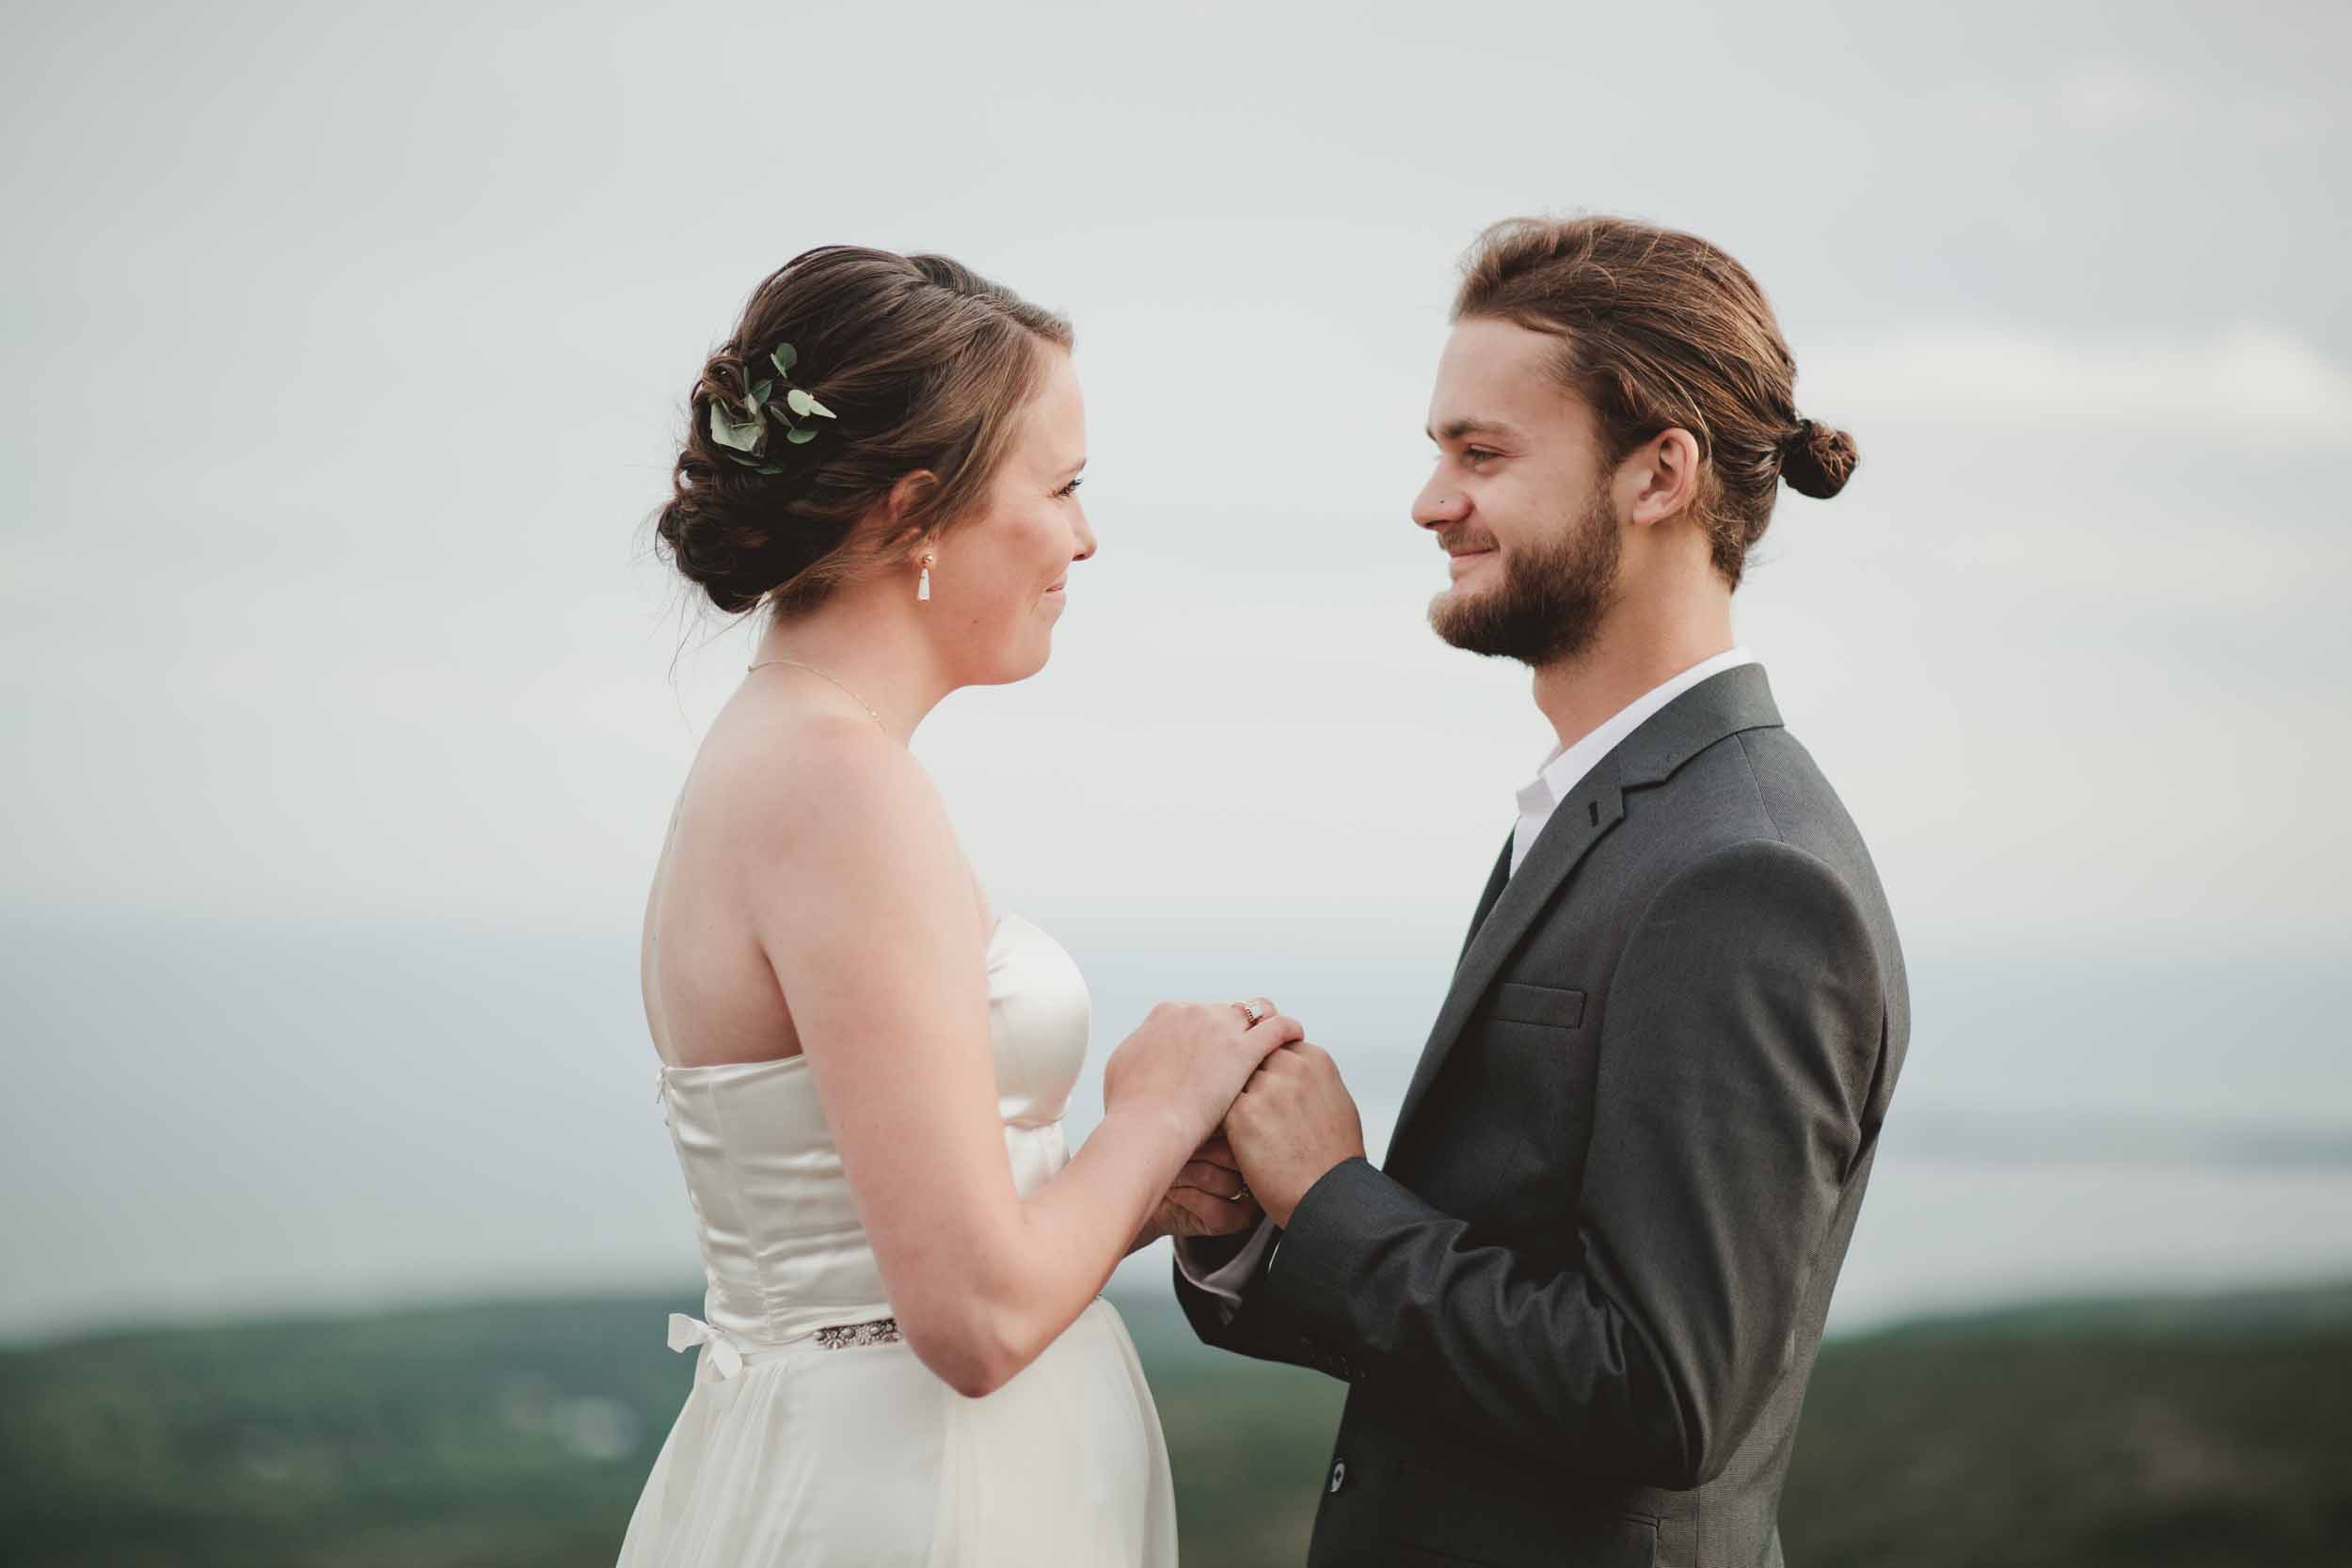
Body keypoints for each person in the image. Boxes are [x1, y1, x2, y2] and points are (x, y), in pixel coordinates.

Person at [1173, 214, 1911, 1567]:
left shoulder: (1745, 874)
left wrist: (1334, 1192)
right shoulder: (1616, 813)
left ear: (1659, 474)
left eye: (1482, 453)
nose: (1429, 502)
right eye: (1436, 453)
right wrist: (1256, 1219)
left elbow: (1658, 1391)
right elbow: (1502, 1286)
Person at [617, 245, 1287, 1567]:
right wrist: (1158, 1110)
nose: (1087, 535)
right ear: (917, 513)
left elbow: (912, 1234)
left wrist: (1139, 1196)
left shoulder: (788, 757)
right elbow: (973, 1319)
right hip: (915, 1500)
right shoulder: (839, 790)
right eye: (1065, 484)